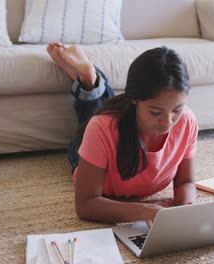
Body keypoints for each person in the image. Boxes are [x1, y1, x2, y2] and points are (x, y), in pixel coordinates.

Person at [47, 43, 199, 227]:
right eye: (155, 112)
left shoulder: (187, 121)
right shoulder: (101, 128)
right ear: (133, 99)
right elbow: (86, 204)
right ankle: (89, 77)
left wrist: (188, 209)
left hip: (118, 121)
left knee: (104, 109)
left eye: (177, 109)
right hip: (90, 142)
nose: (167, 122)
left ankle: (91, 80)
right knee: (92, 117)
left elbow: (185, 182)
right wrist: (143, 211)